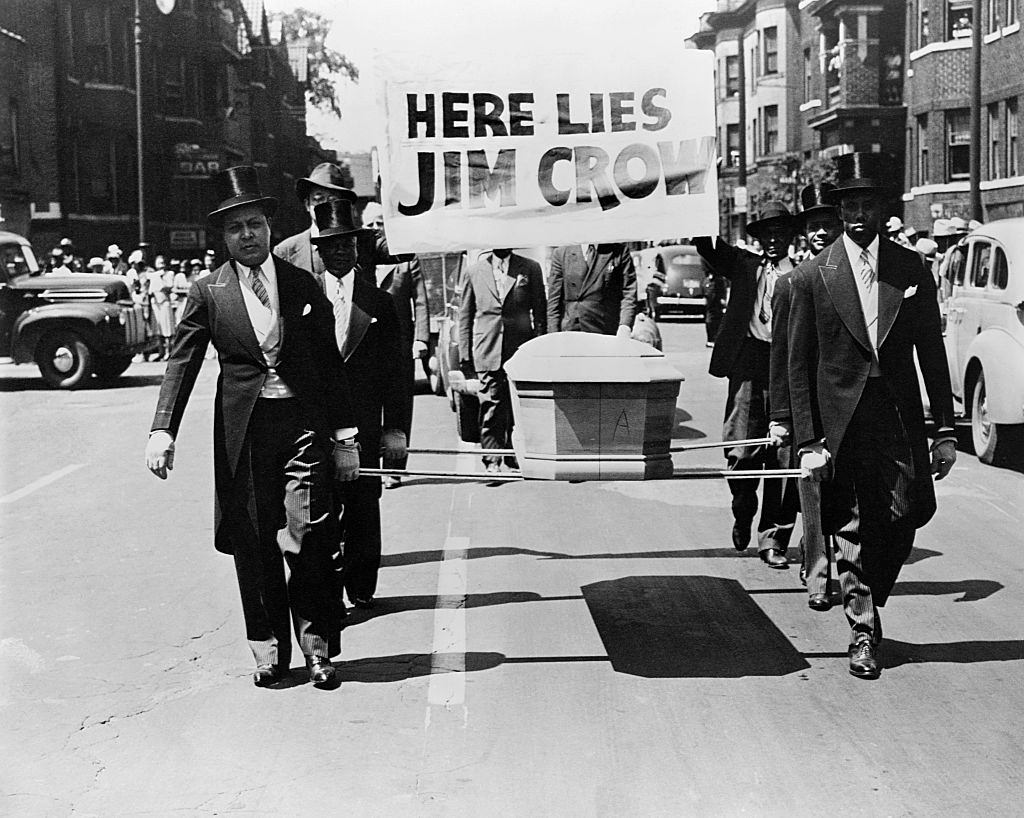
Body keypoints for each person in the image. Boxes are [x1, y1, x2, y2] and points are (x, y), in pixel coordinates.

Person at [144, 165, 360, 689]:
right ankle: (267, 649)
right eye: (236, 227)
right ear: (223, 235)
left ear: (268, 226)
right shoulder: (208, 292)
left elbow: (330, 365)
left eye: (256, 224)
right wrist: (162, 429)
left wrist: (346, 437)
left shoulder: (301, 283)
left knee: (307, 533)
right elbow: (182, 361)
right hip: (243, 433)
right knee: (255, 541)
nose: (248, 235)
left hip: (302, 426)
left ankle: (318, 649)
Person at [786, 152, 957, 679]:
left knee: (908, 513)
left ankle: (869, 597)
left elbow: (931, 351)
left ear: (884, 209)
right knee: (855, 519)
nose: (857, 216)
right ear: (838, 213)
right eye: (848, 206)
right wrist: (808, 439)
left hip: (896, 413)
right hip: (842, 421)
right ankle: (863, 626)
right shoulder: (813, 276)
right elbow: (798, 365)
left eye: (867, 204)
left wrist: (945, 431)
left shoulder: (911, 269)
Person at [310, 199, 408, 611]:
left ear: (357, 248)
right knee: (321, 509)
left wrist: (396, 428)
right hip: (317, 425)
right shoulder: (304, 295)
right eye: (331, 245)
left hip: (367, 424)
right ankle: (328, 592)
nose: (340, 252)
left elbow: (398, 371)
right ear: (319, 250)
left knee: (364, 507)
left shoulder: (379, 302)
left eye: (347, 244)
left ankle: (362, 587)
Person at [694, 203, 800, 568]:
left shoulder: (803, 275)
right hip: (747, 364)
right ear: (759, 239)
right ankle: (743, 509)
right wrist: (699, 199)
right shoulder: (744, 265)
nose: (773, 240)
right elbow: (709, 247)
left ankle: (774, 539)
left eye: (780, 233)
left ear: (791, 237)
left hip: (786, 368)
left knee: (785, 458)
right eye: (767, 234)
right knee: (741, 450)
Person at [769, 182, 843, 609]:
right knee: (812, 488)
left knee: (844, 493)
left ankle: (839, 561)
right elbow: (782, 357)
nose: (820, 233)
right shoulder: (792, 284)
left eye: (828, 224)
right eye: (813, 226)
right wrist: (781, 415)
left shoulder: (855, 279)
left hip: (848, 402)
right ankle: (818, 575)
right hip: (807, 405)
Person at [459, 248, 547, 473]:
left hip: (520, 348)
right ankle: (492, 459)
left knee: (520, 405)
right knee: (491, 404)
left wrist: (539, 347)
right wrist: (465, 354)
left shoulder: (529, 268)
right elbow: (465, 316)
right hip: (487, 349)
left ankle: (515, 455)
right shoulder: (474, 271)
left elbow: (540, 311)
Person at [361, 202, 430, 489]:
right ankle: (369, 467)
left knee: (398, 407)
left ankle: (394, 468)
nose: (376, 230)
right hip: (365, 345)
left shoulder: (404, 259)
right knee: (367, 406)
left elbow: (422, 300)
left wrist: (421, 338)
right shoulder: (359, 258)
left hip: (399, 343)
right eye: (370, 226)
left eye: (380, 224)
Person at [274, 163, 410, 287]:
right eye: (318, 199)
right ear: (307, 205)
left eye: (332, 199)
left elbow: (404, 251)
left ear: (344, 204)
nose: (325, 204)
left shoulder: (365, 241)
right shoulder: (285, 252)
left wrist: (395, 195)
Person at [546, 242, 637, 337]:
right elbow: (554, 300)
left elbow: (628, 293)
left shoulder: (619, 251)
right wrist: (553, 334)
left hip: (605, 329)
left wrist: (625, 326)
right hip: (572, 330)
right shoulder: (561, 253)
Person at [145, 255, 176, 360]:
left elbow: (168, 286)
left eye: (162, 263)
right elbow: (150, 290)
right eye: (159, 263)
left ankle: (169, 351)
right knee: (158, 330)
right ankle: (160, 351)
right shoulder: (153, 275)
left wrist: (161, 277)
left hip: (164, 302)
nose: (161, 265)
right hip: (156, 304)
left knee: (167, 329)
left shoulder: (169, 274)